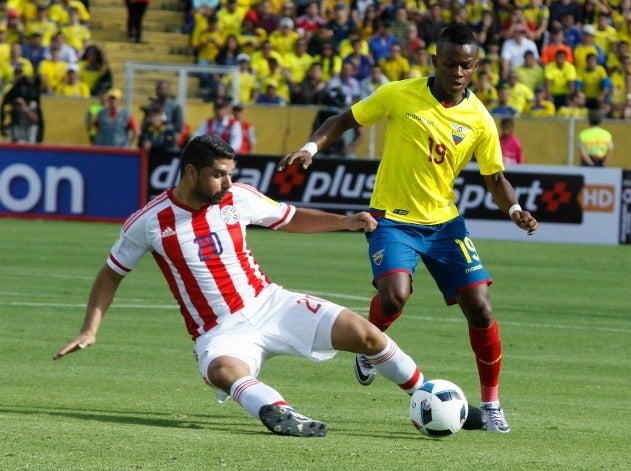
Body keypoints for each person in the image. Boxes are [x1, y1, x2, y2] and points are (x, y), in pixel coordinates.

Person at [53, 135, 429, 437]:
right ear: (190, 172)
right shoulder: (150, 221)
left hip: (272, 304)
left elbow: (290, 218)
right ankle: (279, 412)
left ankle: (428, 396)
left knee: (366, 335)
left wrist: (344, 222)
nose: (227, 183)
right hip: (218, 331)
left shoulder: (238, 197)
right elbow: (111, 273)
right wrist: (90, 329)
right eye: (218, 174)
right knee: (223, 371)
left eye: (230, 174)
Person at [277, 23, 539, 433]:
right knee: (395, 296)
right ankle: (370, 346)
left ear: (475, 68)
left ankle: (491, 405)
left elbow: (495, 179)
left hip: (444, 224)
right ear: (434, 60)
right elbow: (344, 120)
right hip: (392, 218)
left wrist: (516, 209)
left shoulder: (480, 119)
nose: (457, 72)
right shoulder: (399, 93)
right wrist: (310, 148)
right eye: (450, 63)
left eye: (465, 66)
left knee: (481, 307)